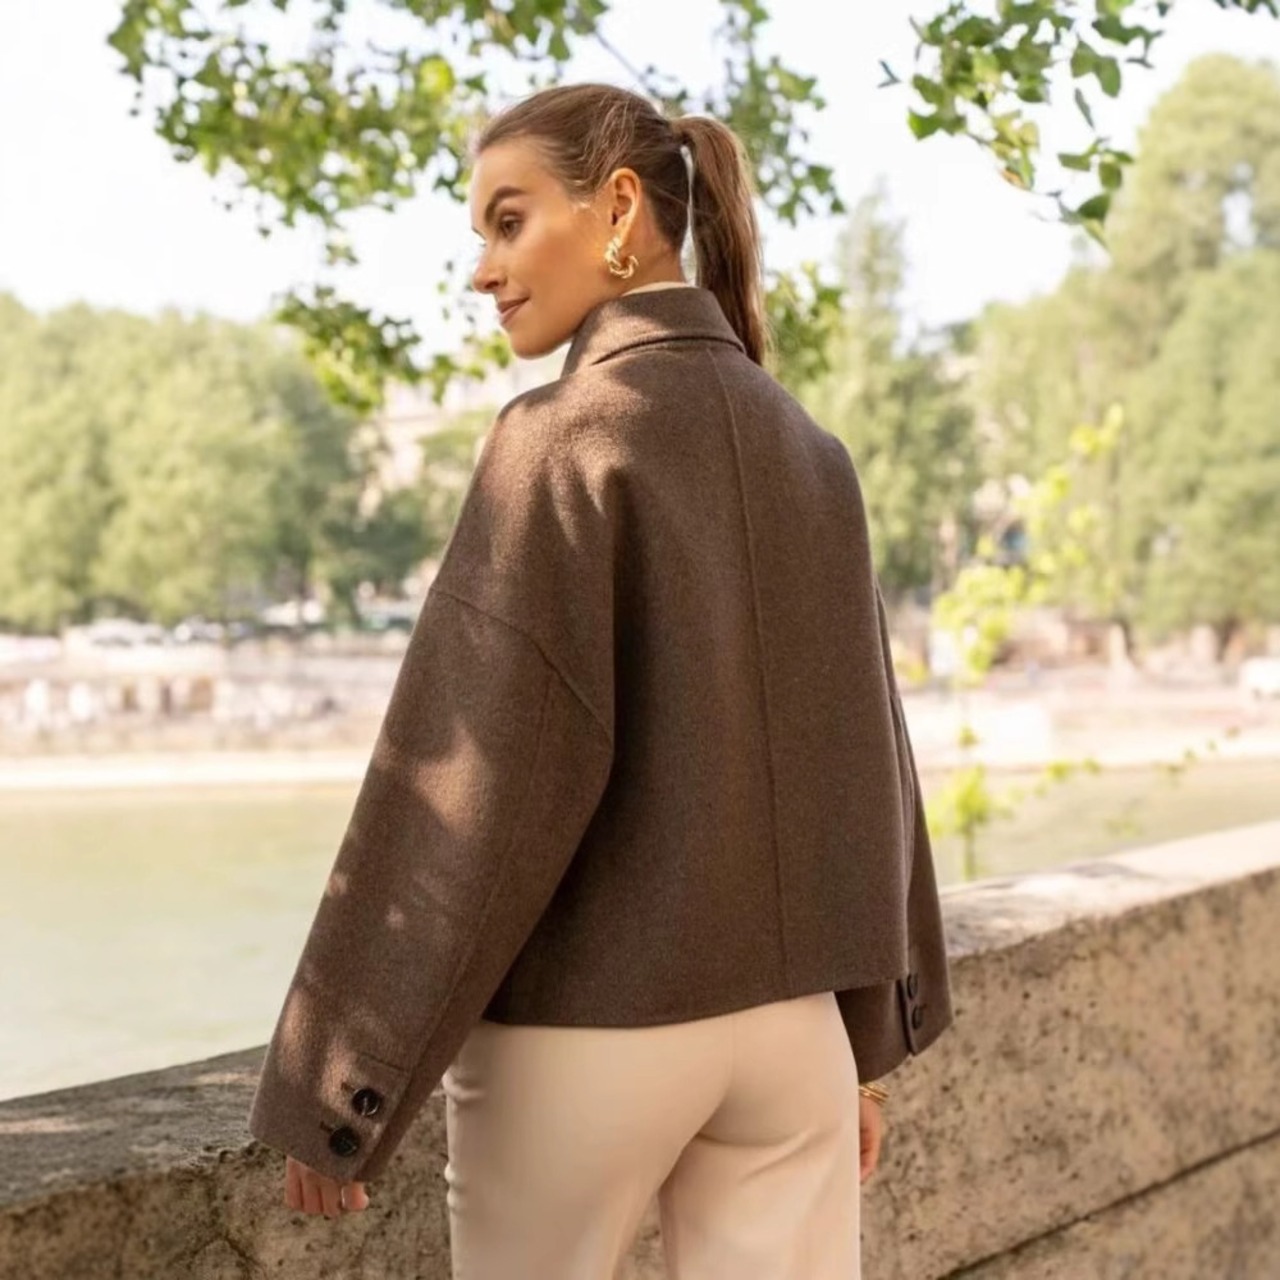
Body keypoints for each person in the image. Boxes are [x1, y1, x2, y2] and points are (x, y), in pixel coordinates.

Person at [248, 82, 954, 1279]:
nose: (482, 268)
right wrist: (865, 1041)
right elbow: (862, 758)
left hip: (590, 1034)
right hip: (791, 1047)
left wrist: (336, 1080)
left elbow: (472, 775)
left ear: (618, 207)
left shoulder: (558, 437)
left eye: (507, 220)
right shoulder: (812, 451)